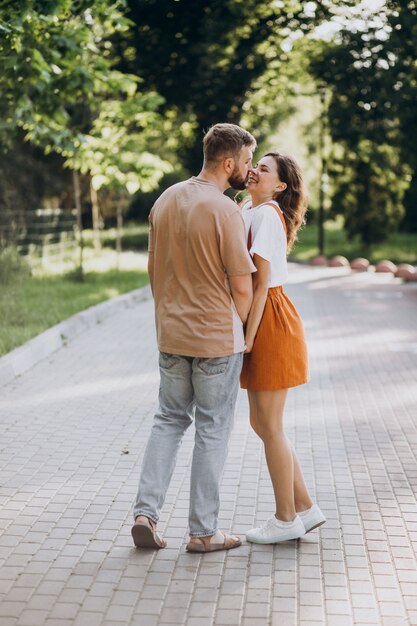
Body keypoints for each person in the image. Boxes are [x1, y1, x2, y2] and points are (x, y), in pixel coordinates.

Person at [131, 123, 257, 553]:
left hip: (171, 335)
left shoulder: (165, 199)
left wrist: (168, 314)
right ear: (228, 163)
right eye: (246, 162)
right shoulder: (224, 211)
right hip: (215, 339)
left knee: (168, 420)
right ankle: (203, 532)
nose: (250, 169)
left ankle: (145, 513)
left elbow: (153, 272)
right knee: (213, 429)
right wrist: (239, 329)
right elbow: (243, 287)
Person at [240, 152, 326, 544]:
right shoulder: (250, 207)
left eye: (266, 169)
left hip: (270, 319)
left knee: (270, 426)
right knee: (263, 424)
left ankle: (285, 517)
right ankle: (306, 508)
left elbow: (260, 286)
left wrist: (248, 338)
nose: (255, 169)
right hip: (264, 319)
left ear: (280, 185)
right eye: (255, 163)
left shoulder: (268, 215)